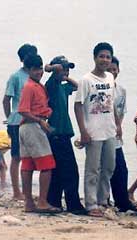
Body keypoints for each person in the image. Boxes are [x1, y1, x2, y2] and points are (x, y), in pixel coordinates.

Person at [74, 42, 122, 217]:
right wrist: (83, 131)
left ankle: (103, 200)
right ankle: (91, 203)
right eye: (101, 56)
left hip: (109, 130)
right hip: (93, 131)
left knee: (109, 166)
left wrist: (118, 125)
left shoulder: (110, 78)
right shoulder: (86, 80)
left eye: (108, 57)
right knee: (93, 168)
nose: (104, 60)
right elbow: (78, 105)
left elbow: (112, 103)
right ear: (95, 58)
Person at [44, 55, 86, 215]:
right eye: (63, 68)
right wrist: (55, 69)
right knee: (70, 171)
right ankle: (72, 204)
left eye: (67, 69)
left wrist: (66, 76)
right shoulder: (52, 85)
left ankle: (54, 201)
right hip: (57, 134)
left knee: (60, 170)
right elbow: (50, 69)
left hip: (62, 134)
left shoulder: (62, 87)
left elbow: (77, 87)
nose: (65, 71)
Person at [18, 54, 60, 214]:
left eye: (40, 68)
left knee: (28, 165)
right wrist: (41, 121)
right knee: (47, 164)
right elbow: (23, 110)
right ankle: (42, 201)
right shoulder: (29, 87)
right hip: (33, 126)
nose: (39, 72)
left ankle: (29, 202)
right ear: (28, 70)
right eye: (35, 69)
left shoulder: (36, 85)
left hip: (27, 128)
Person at [3, 43, 37, 200]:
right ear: (23, 59)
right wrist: (10, 117)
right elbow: (6, 99)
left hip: (31, 120)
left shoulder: (35, 75)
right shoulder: (16, 77)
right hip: (17, 121)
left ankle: (27, 191)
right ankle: (17, 192)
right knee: (16, 156)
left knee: (29, 157)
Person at [107, 56, 137, 212]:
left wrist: (119, 126)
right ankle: (103, 200)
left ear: (118, 70)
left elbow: (121, 111)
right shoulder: (100, 87)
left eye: (114, 69)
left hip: (116, 134)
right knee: (103, 169)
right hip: (103, 133)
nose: (112, 72)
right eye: (109, 69)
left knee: (121, 169)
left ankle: (122, 201)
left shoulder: (121, 90)